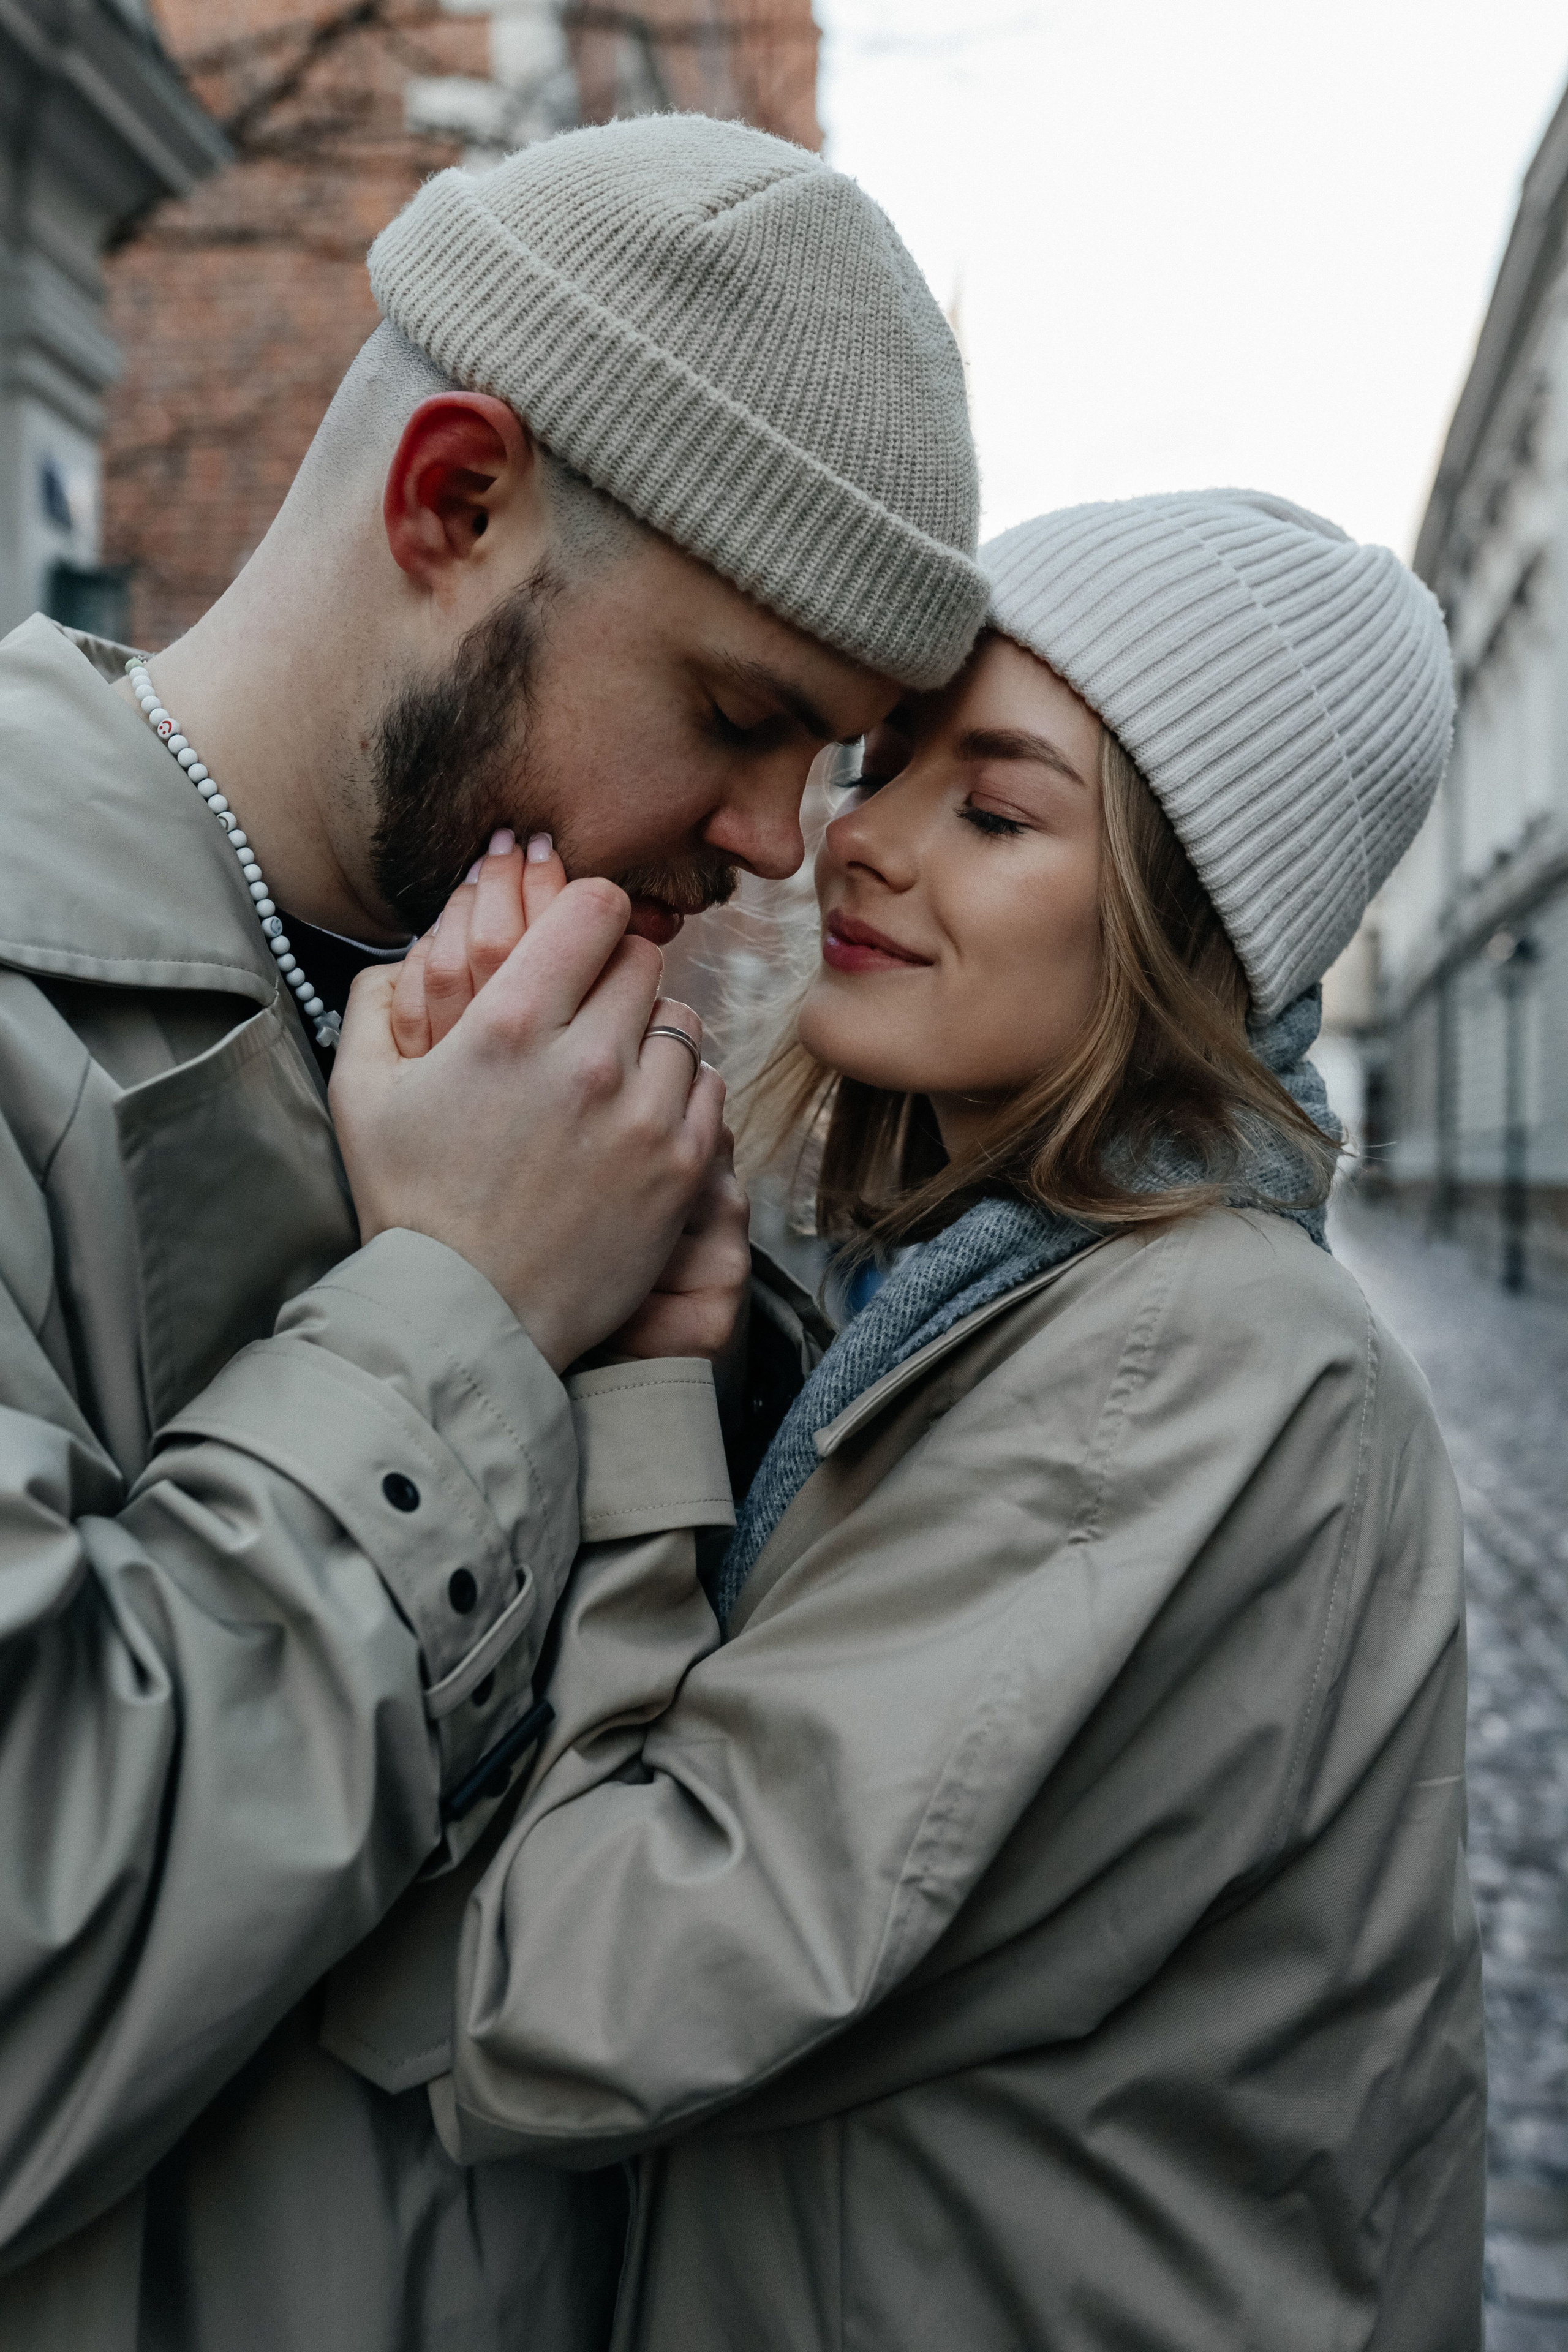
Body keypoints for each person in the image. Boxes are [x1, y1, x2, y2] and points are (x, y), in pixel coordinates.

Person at [0, 115, 985, 2348]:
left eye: (830, 760)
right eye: (743, 719)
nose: (768, 852)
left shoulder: (573, 1079)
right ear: (454, 501)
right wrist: (456, 1312)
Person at [409, 491, 1487, 2350]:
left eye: (993, 811)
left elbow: (580, 1997)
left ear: (1186, 925)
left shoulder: (1180, 1362)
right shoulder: (978, 1287)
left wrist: (616, 1378)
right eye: (883, 758)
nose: (859, 840)